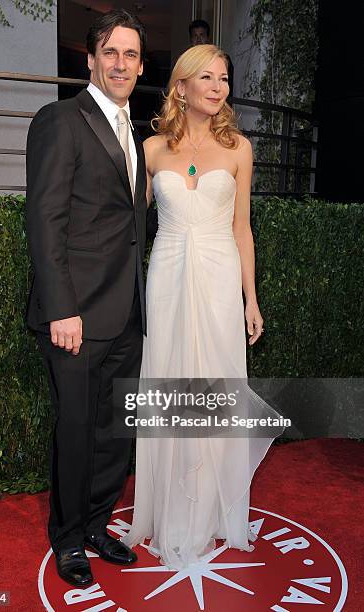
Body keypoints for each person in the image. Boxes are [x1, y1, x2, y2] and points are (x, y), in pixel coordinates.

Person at [121, 44, 284, 569]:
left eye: (224, 78)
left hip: (217, 283)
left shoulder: (239, 148)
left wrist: (250, 298)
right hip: (167, 279)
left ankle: (212, 513)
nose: (218, 86)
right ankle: (169, 511)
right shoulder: (150, 151)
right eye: (207, 77)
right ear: (182, 86)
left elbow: (242, 229)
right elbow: (124, 225)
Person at [25, 9, 147, 587]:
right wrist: (60, 308)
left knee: (112, 431)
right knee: (75, 431)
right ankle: (69, 539)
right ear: (91, 59)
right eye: (111, 52)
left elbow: (126, 225)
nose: (121, 64)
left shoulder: (136, 133)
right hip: (75, 315)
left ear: (141, 65)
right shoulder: (60, 119)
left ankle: (98, 525)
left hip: (126, 313)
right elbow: (45, 221)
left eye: (131, 55)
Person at [189, 19, 234, 98]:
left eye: (202, 35)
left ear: (207, 38)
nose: (198, 39)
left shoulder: (221, 59)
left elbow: (227, 87)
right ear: (191, 39)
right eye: (195, 36)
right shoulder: (186, 61)